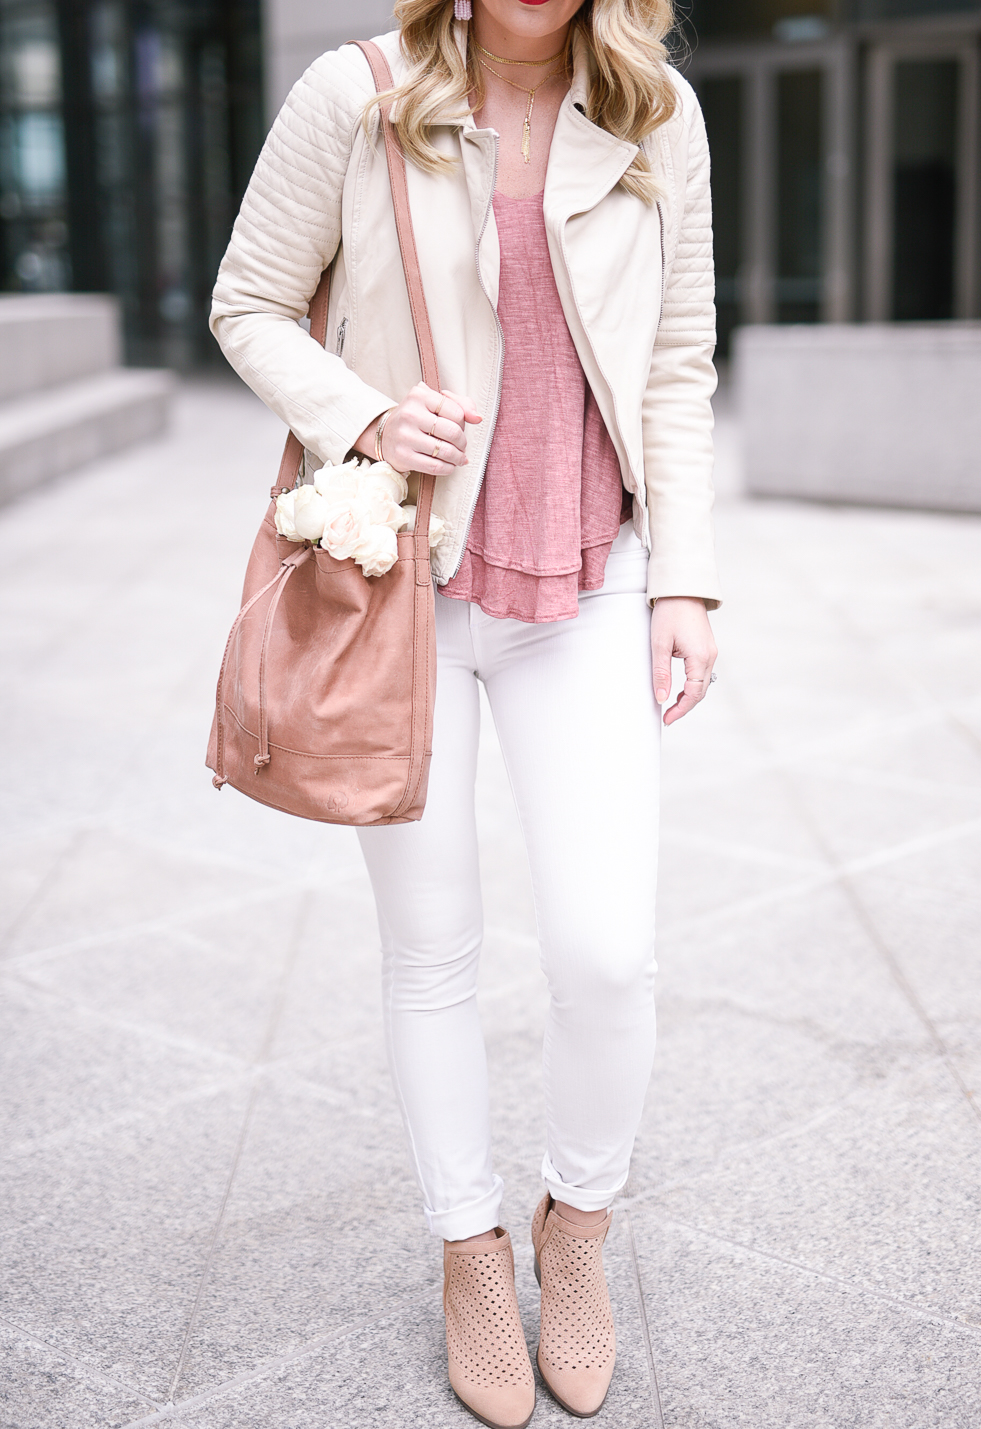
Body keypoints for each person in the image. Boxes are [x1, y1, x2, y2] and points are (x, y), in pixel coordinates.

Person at [210, 0, 719, 1418]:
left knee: (608, 953)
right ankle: (470, 1248)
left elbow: (677, 367)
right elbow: (247, 300)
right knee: (430, 950)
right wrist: (363, 409)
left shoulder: (657, 118)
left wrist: (687, 579)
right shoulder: (353, 94)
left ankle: (582, 1219)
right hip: (405, 586)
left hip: (591, 578)